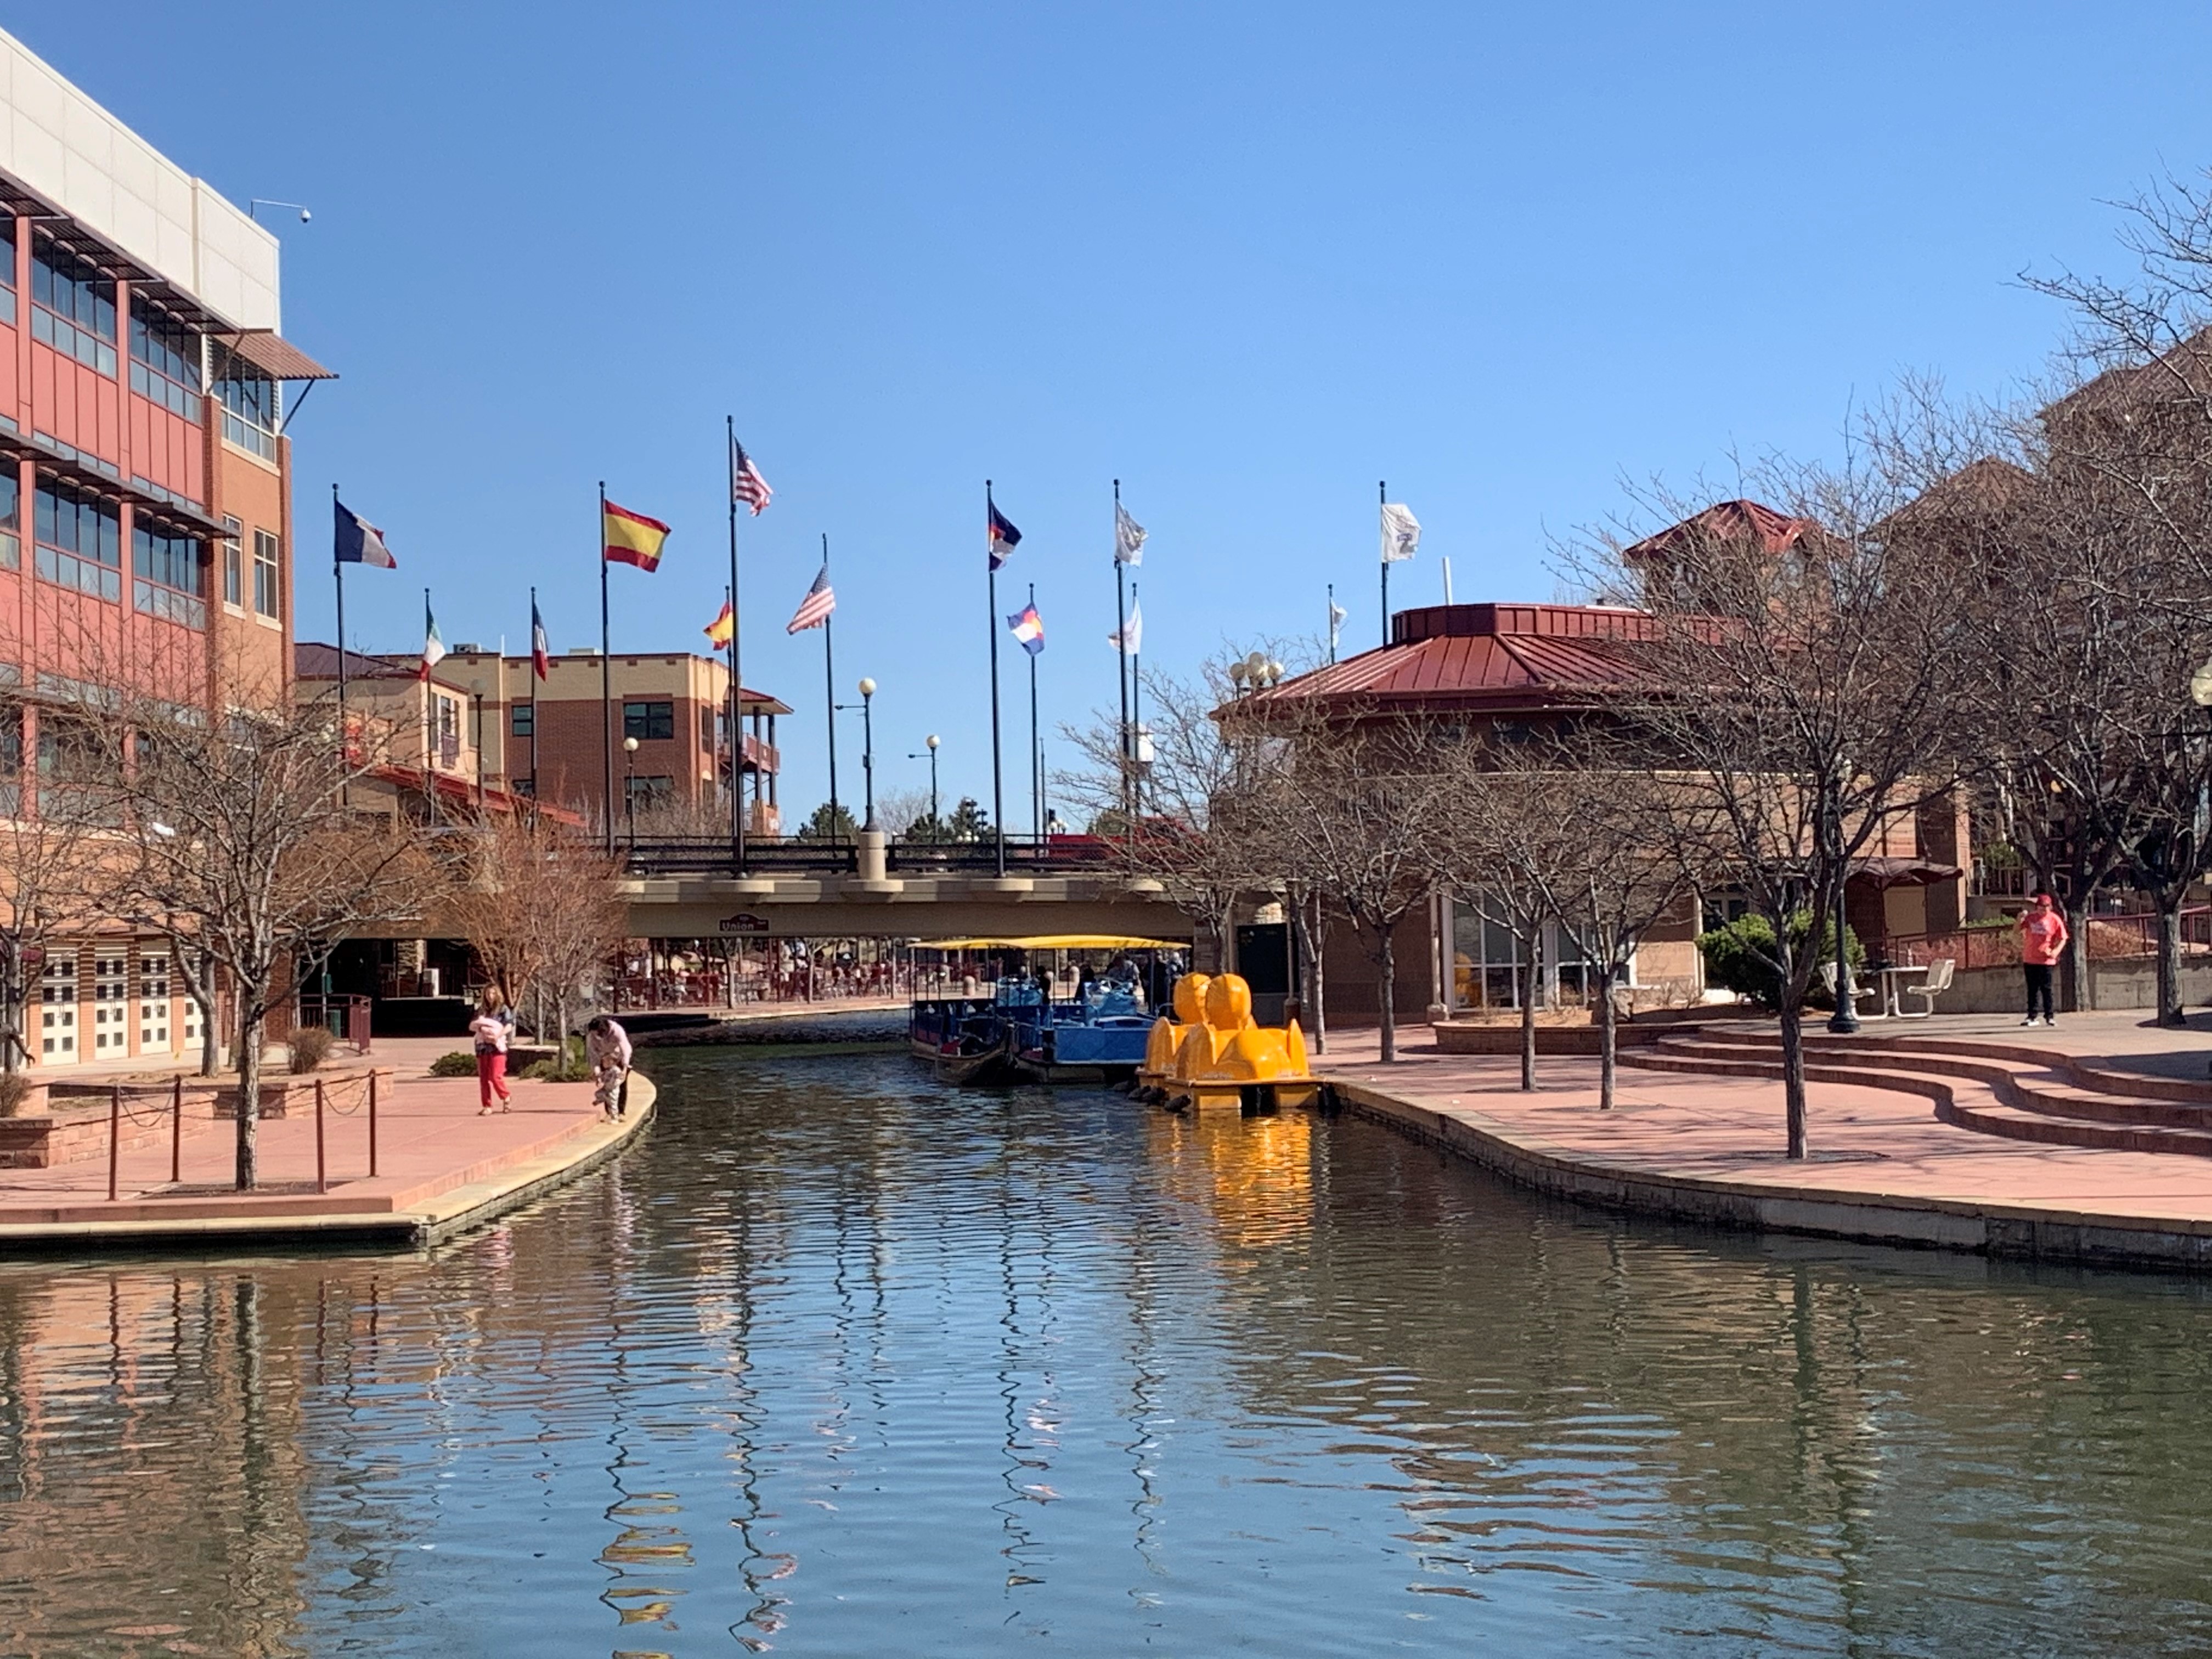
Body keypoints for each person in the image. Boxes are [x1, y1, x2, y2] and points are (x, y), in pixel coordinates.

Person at [2018, 893, 2069, 1028]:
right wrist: (2019, 919)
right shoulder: (2031, 918)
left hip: (2046, 961)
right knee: (2032, 989)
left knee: (2047, 989)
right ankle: (2032, 1016)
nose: (2043, 911)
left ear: (2050, 907)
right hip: (2030, 958)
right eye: (2041, 908)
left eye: (2046, 908)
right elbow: (2017, 930)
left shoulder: (2055, 919)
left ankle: (2050, 1016)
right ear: (2037, 907)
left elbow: (2063, 938)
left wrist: (2056, 951)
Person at [470, 989, 513, 1114]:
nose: (490, 996)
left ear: (498, 994)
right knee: (483, 1078)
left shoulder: (503, 1009)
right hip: (482, 1046)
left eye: (493, 993)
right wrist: (482, 1029)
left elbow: (509, 1025)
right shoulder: (481, 1010)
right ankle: (487, 1106)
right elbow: (474, 1024)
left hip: (497, 1047)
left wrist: (498, 1035)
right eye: (488, 994)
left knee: (495, 1076)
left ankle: (506, 1097)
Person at [585, 1014, 633, 1120]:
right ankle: (610, 1112)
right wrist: (597, 1072)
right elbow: (594, 1056)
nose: (595, 1035)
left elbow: (625, 1050)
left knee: (620, 1084)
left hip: (619, 1056)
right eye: (593, 1033)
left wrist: (624, 1069)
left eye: (597, 1033)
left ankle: (620, 1111)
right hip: (606, 1058)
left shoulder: (617, 1031)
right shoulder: (592, 1037)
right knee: (607, 1084)